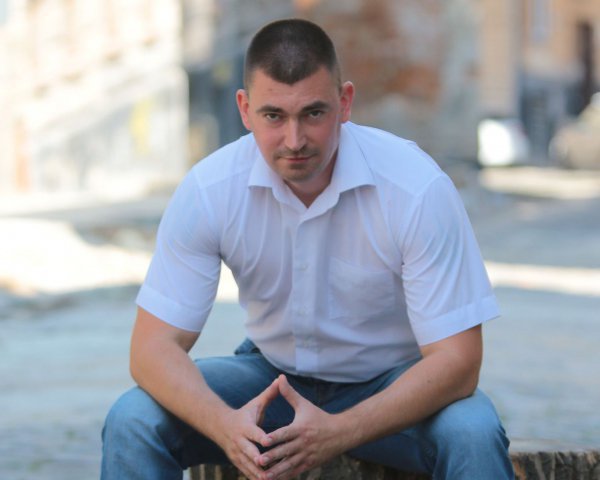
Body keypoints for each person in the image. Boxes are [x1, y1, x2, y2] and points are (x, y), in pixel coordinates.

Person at [101, 18, 514, 480]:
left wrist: (339, 431)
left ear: (345, 103)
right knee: (134, 419)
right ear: (244, 109)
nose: (294, 140)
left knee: (473, 432)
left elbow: (458, 362)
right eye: (273, 116)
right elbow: (152, 349)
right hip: (271, 381)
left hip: (393, 386)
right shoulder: (210, 190)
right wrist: (224, 426)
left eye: (313, 114)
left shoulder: (416, 188)